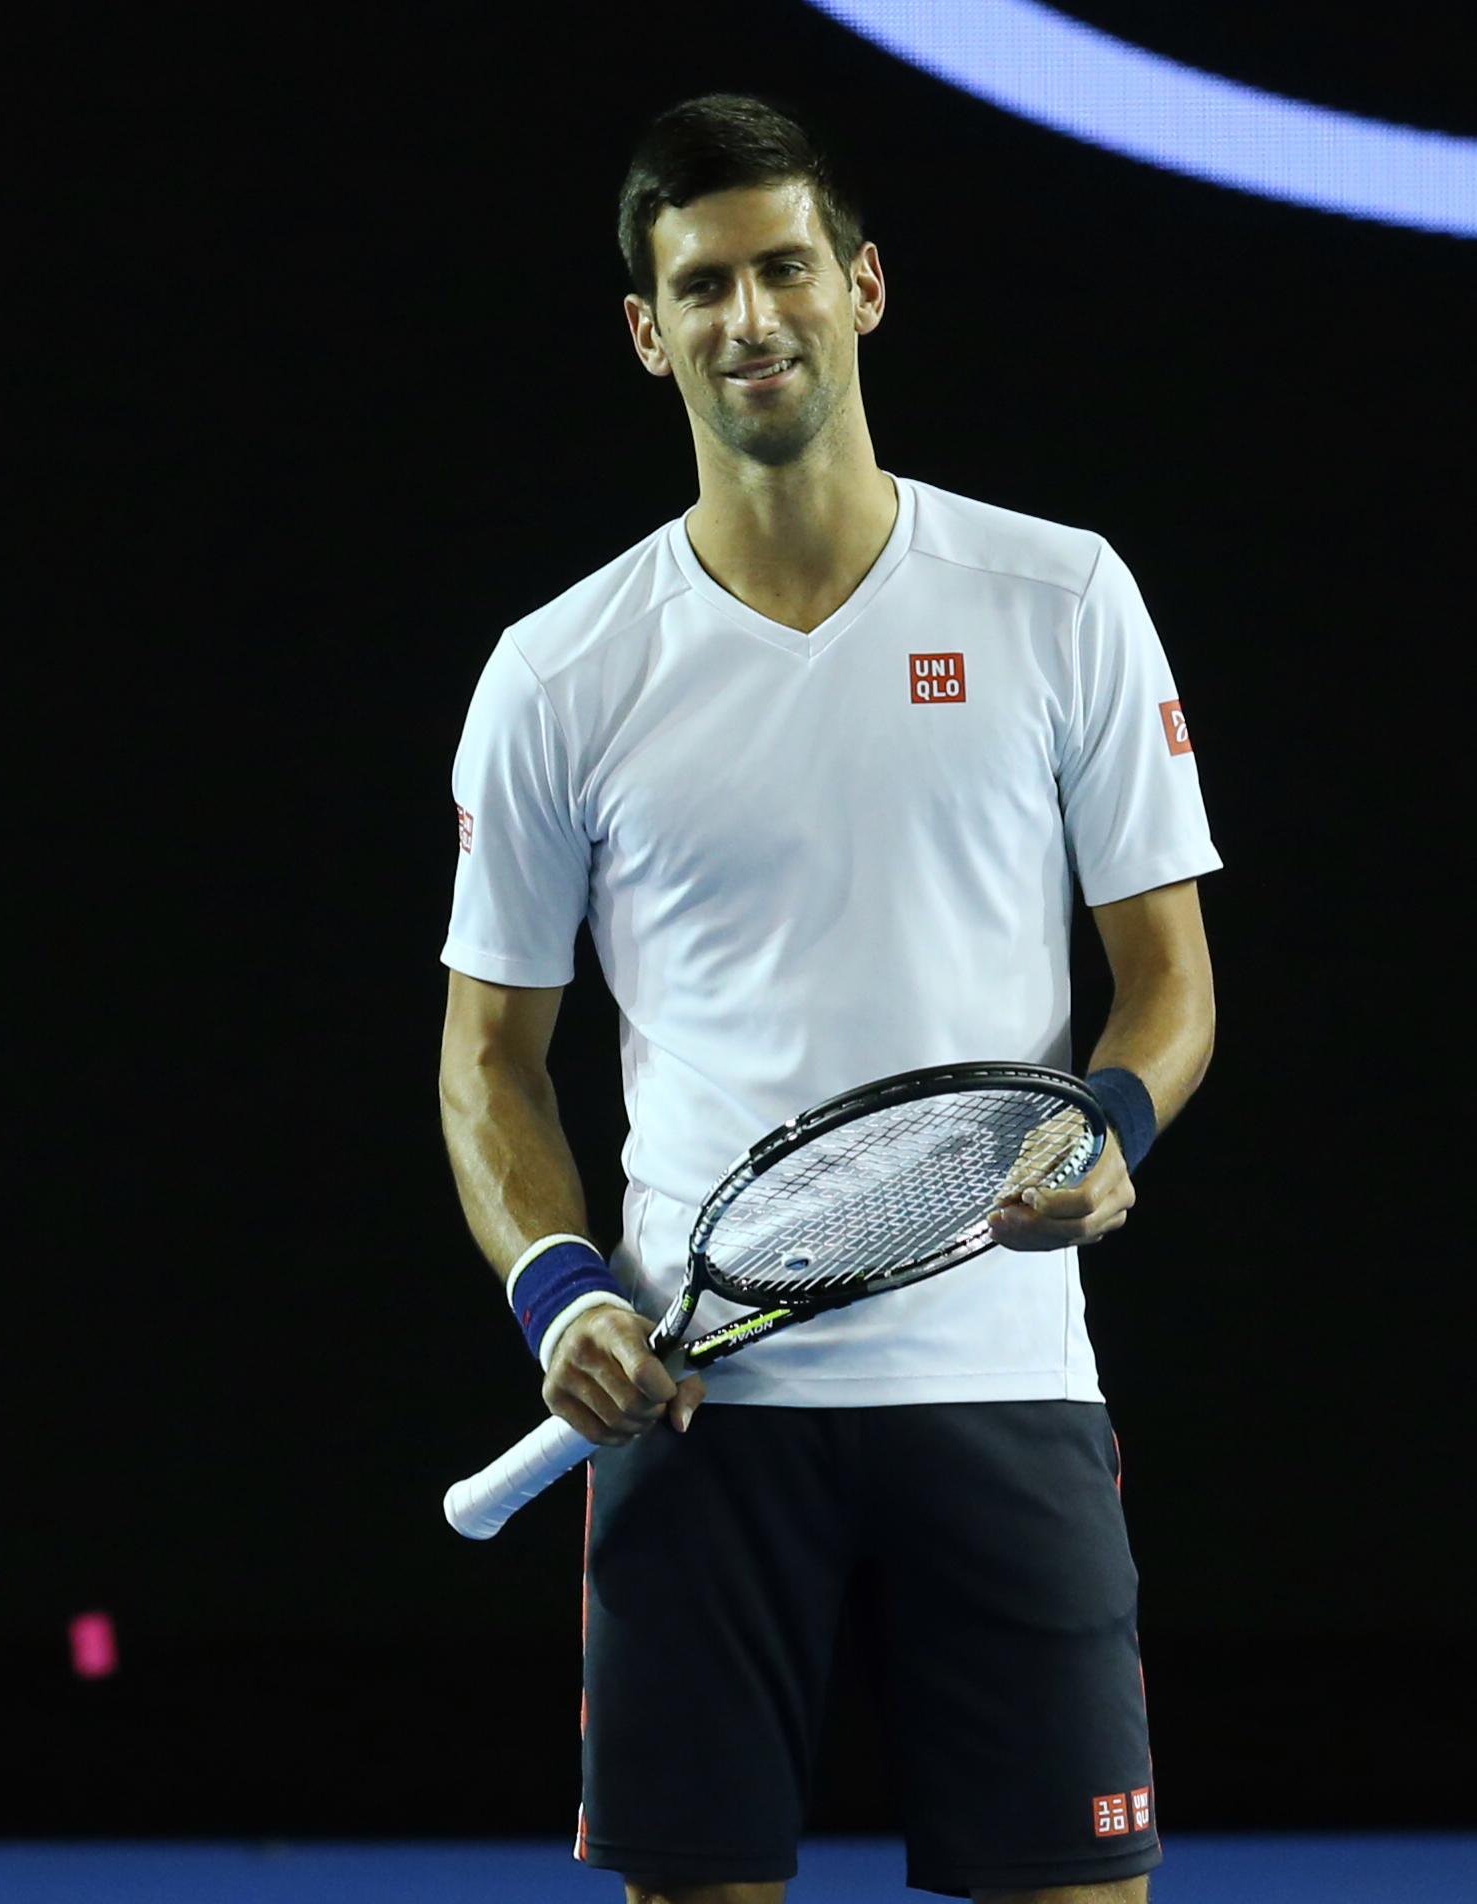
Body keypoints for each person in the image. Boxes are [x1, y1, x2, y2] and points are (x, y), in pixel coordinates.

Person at [437, 97, 1218, 1904]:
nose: (749, 317)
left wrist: (1105, 1128)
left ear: (860, 287)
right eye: (700, 286)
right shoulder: (556, 672)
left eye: (784, 268)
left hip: (1004, 1381)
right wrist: (560, 1291)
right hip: (695, 1415)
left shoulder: (1059, 596)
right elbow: (487, 1058)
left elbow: (1167, 979)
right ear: (648, 333)